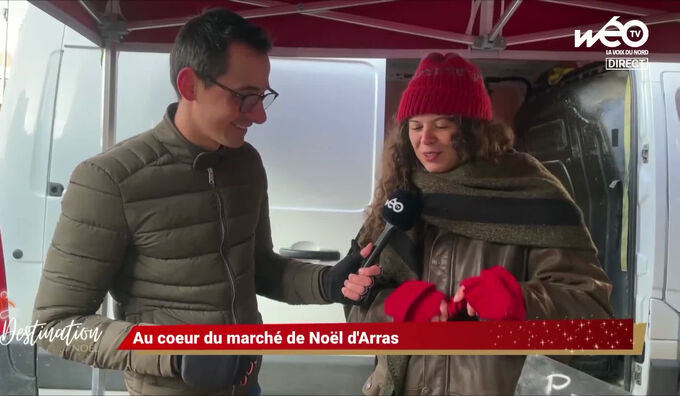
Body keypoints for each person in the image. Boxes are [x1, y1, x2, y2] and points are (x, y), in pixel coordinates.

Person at [32, 8, 371, 395]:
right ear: (190, 85)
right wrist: (175, 353)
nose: (259, 116)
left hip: (247, 386)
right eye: (245, 98)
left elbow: (256, 268)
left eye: (262, 97)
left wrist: (327, 282)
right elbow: (56, 324)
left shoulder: (247, 164)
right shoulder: (111, 179)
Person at [342, 53, 614, 395]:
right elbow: (357, 314)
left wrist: (521, 301)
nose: (425, 139)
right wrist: (394, 307)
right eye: (415, 125)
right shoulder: (400, 195)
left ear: (473, 129)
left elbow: (592, 315)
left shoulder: (532, 193)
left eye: (441, 125)